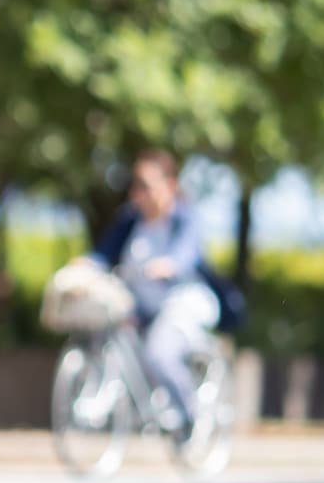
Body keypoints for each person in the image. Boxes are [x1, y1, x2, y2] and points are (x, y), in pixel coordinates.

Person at [80, 150, 220, 436]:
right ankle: (100, 394)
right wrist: (87, 265)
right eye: (137, 185)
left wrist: (169, 265)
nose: (139, 193)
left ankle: (188, 414)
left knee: (160, 354)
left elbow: (187, 252)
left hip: (180, 301)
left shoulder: (184, 218)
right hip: (141, 304)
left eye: (146, 185)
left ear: (169, 185)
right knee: (106, 328)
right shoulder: (131, 220)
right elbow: (105, 252)